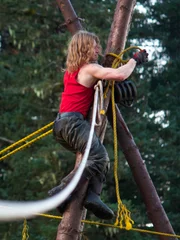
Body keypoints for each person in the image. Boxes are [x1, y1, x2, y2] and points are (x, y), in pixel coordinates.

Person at [48, 30, 148, 220]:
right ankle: (62, 190)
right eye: (95, 46)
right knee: (98, 157)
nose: (98, 50)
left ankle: (93, 196)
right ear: (85, 47)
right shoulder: (89, 68)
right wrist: (135, 60)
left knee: (100, 158)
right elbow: (120, 75)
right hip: (72, 123)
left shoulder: (72, 71)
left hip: (63, 125)